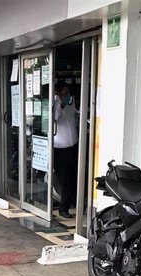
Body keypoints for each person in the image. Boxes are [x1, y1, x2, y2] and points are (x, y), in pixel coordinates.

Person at [53, 83, 79, 219]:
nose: (67, 95)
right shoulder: (55, 102)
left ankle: (71, 202)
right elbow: (55, 117)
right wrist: (59, 102)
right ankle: (63, 208)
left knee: (73, 177)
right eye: (65, 92)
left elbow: (75, 115)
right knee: (64, 179)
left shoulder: (71, 103)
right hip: (59, 149)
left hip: (73, 146)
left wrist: (69, 103)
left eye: (68, 92)